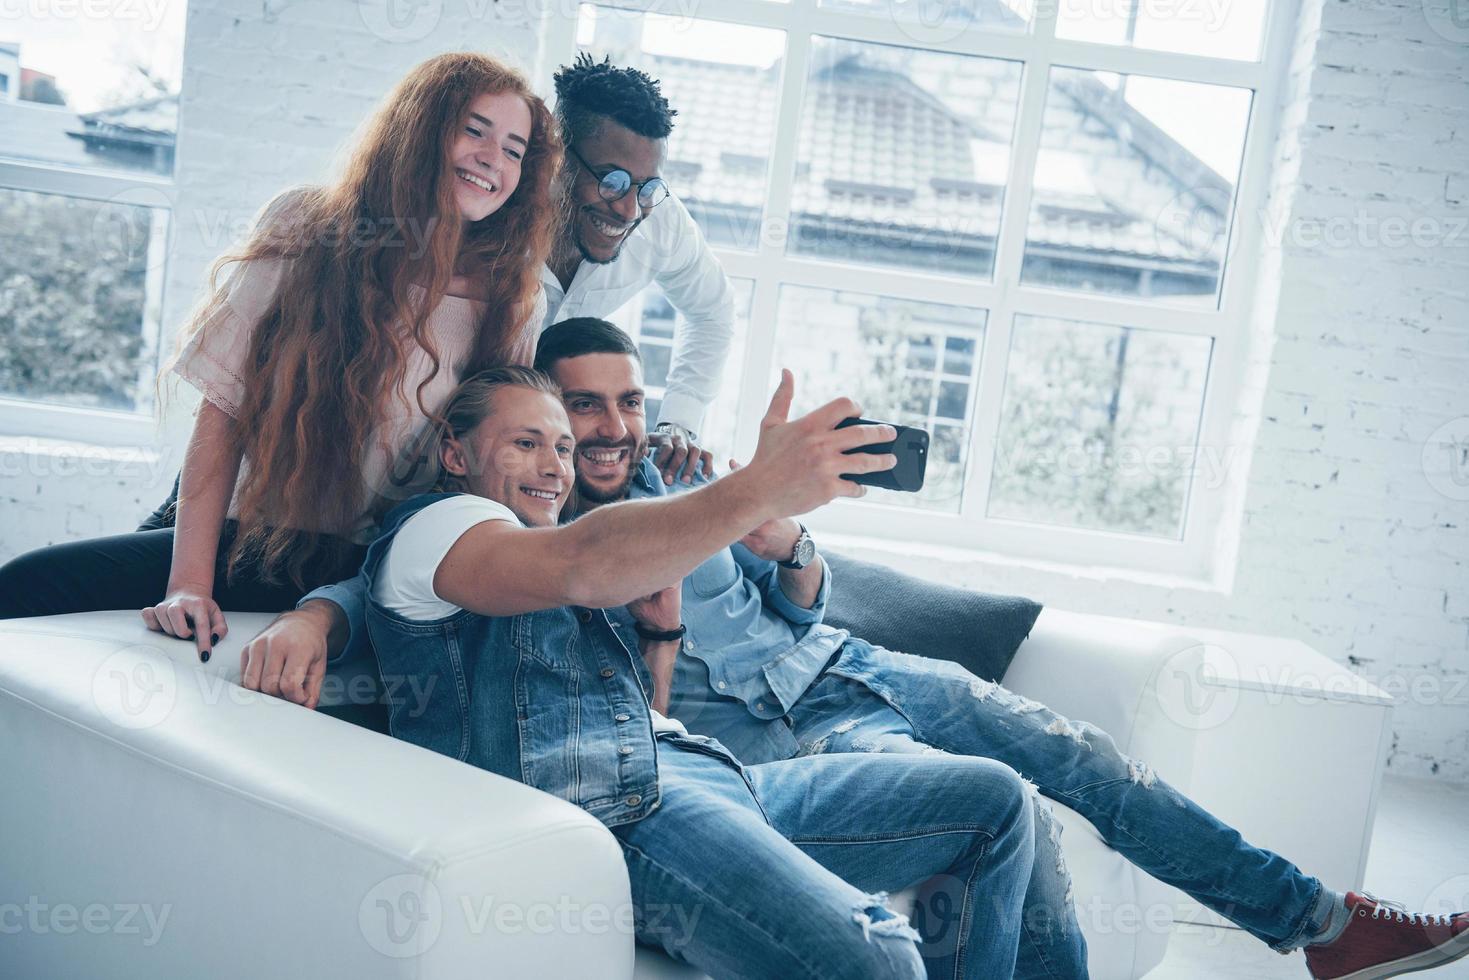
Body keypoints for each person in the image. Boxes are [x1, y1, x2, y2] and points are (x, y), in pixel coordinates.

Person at [361, 363, 1045, 978]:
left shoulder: (547, 555)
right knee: (876, 955)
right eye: (525, 444)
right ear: (455, 452)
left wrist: (660, 637)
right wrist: (756, 485)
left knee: (997, 801)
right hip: (625, 817)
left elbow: (631, 715)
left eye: (562, 446)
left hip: (706, 774)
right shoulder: (439, 527)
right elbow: (583, 563)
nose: (554, 467)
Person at [0, 53, 562, 668]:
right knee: (31, 588)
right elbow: (222, 410)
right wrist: (189, 581)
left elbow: (494, 460)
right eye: (474, 130)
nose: (492, 159)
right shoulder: (308, 226)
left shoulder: (514, 295)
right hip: (248, 532)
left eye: (514, 149)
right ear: (421, 132)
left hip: (365, 561)